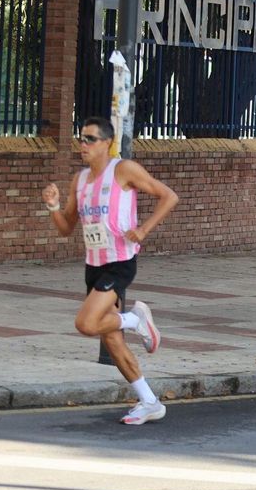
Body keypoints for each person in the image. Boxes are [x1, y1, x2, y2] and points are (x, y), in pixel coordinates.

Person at [42, 117, 179, 425]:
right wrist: (52, 206)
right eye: (81, 139)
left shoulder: (123, 170)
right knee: (112, 340)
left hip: (119, 262)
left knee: (87, 323)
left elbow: (168, 196)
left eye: (90, 139)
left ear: (107, 143)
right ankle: (149, 401)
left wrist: (144, 229)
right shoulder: (79, 181)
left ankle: (136, 319)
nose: (83, 145)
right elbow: (66, 228)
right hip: (94, 265)